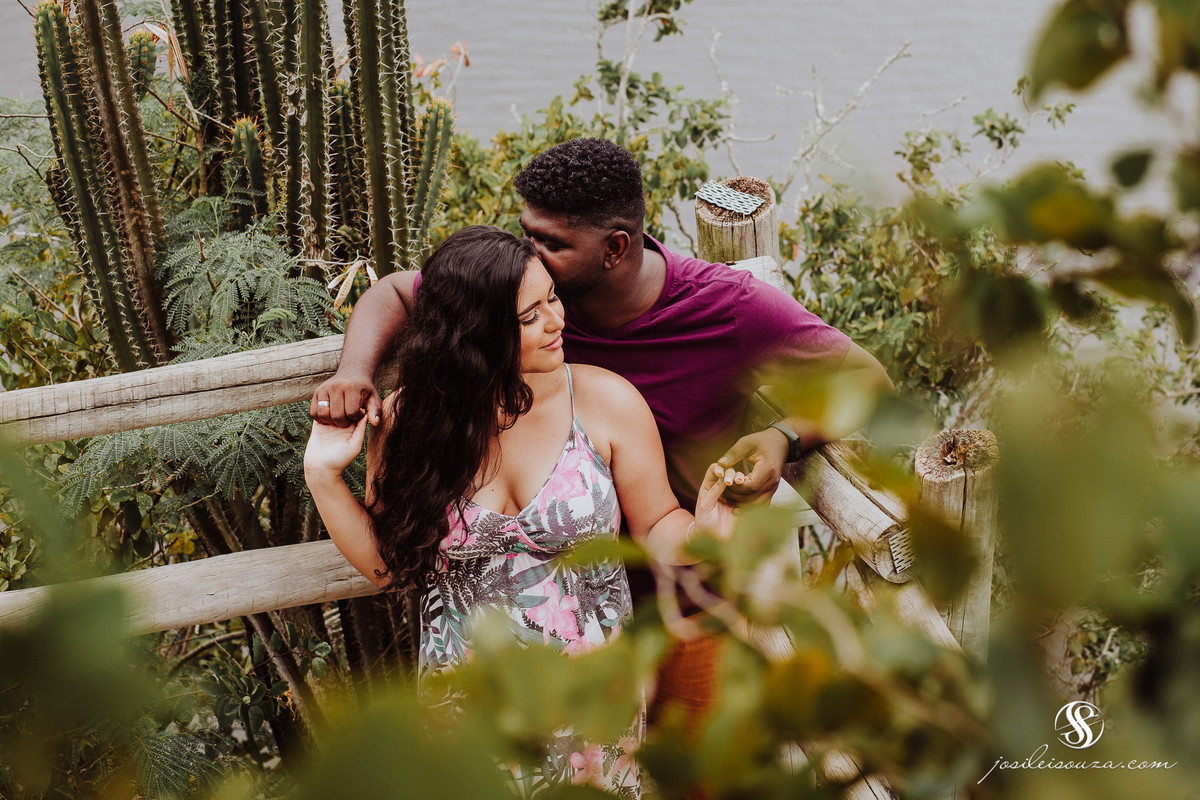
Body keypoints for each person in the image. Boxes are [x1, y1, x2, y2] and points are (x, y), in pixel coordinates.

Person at [311, 138, 893, 752]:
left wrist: (781, 438)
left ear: (615, 248)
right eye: (525, 234)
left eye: (551, 245)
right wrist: (354, 372)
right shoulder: (512, 293)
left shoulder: (724, 311)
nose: (529, 255)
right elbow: (401, 294)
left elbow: (867, 379)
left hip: (683, 599)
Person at [304, 225, 739, 797]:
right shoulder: (413, 423)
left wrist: (704, 532)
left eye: (552, 298)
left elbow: (657, 521)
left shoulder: (604, 399)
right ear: (476, 336)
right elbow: (388, 565)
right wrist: (322, 474)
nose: (558, 322)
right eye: (530, 316)